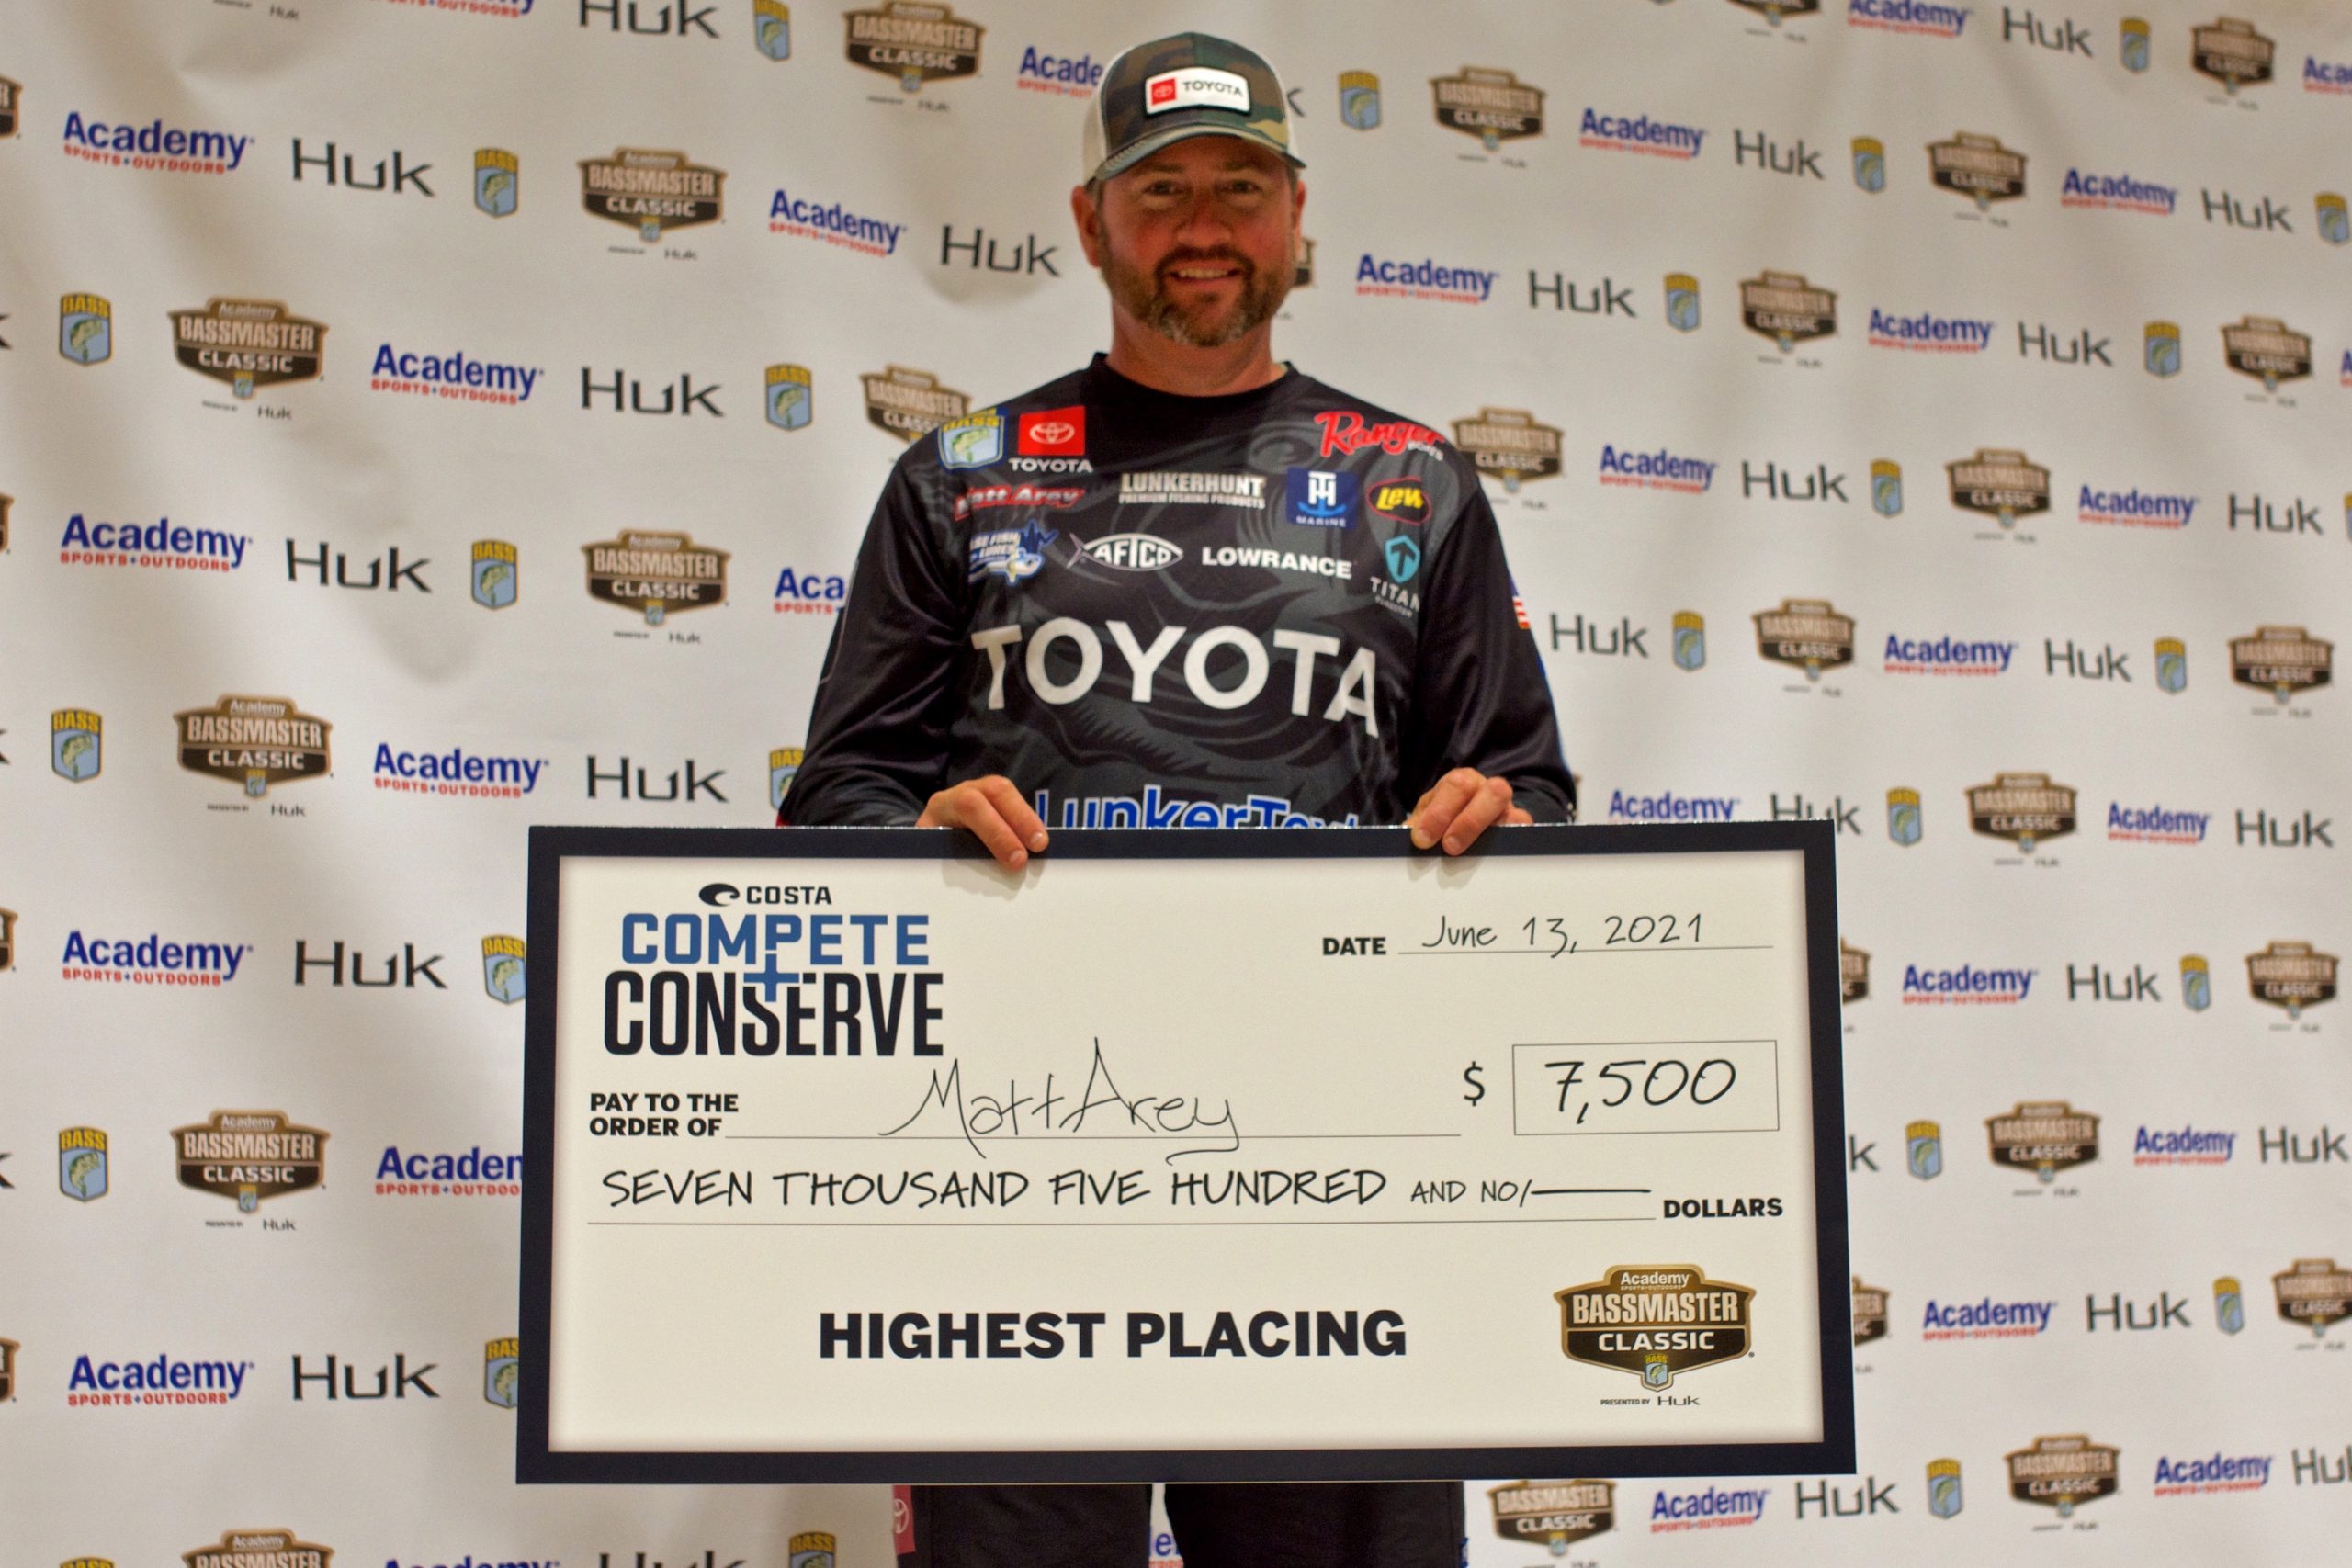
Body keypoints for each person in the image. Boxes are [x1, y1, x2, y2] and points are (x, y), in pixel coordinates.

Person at [784, 32, 1576, 1568]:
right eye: (1160, 193)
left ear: (1297, 214)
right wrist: (906, 841)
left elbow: (1523, 785)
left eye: (1240, 187)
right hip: (1013, 1171)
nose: (1203, 227)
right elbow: (841, 795)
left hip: (1339, 1168)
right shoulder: (963, 476)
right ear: (1091, 225)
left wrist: (1503, 827)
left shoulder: (1411, 482)